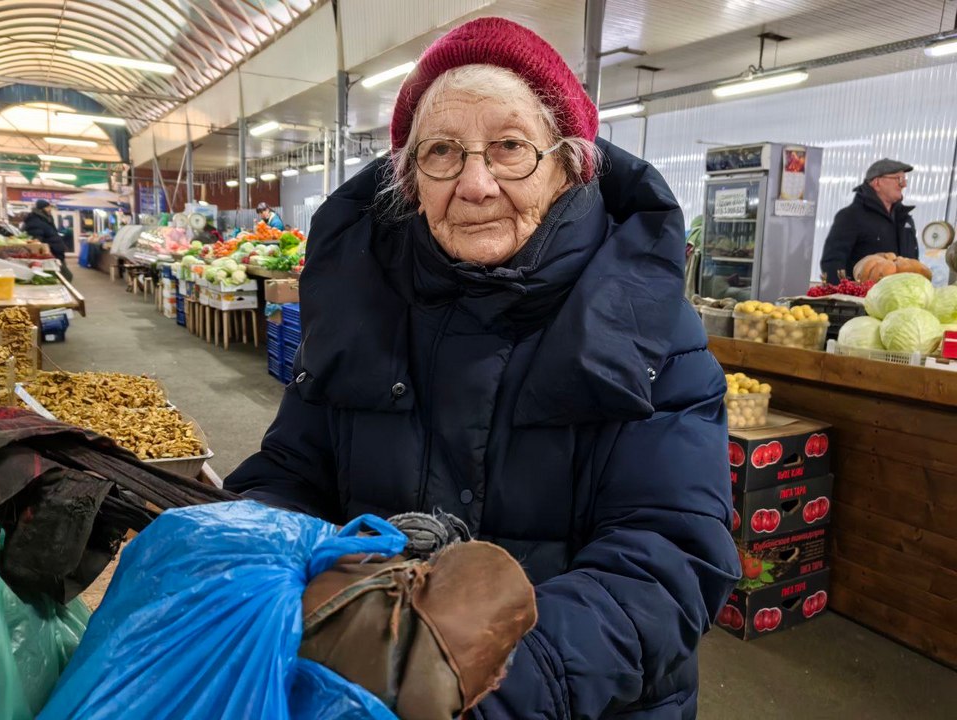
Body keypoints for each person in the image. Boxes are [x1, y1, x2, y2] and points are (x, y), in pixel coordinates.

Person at [226, 17, 738, 719]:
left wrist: (488, 684)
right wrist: (234, 551)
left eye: (510, 148)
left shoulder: (650, 329)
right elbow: (292, 474)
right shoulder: (357, 308)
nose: (475, 184)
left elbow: (668, 557)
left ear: (570, 166)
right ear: (409, 181)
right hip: (355, 685)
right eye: (441, 151)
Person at [819, 158, 918, 282]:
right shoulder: (851, 216)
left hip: (902, 292)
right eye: (898, 179)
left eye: (904, 179)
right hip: (864, 293)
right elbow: (833, 263)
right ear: (877, 183)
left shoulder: (905, 220)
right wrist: (843, 291)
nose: (903, 185)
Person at [22, 199, 73, 282]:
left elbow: (52, 234)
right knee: (66, 276)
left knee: (64, 276)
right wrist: (46, 252)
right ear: (41, 209)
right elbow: (37, 239)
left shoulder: (47, 219)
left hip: (57, 252)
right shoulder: (35, 220)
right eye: (48, 207)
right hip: (51, 254)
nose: (50, 209)